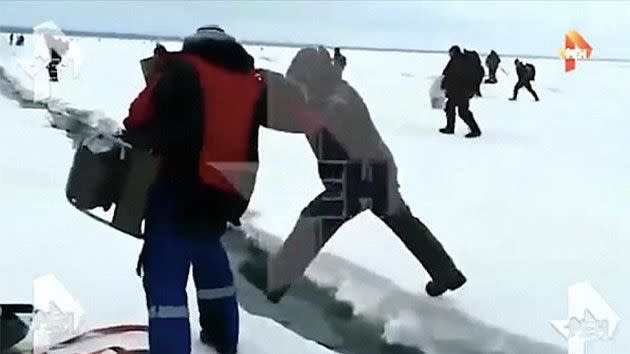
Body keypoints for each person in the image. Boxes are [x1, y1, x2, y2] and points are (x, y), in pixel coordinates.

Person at [265, 46, 466, 302]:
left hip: (357, 177)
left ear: (311, 77)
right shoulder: (328, 90)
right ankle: (446, 272)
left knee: (312, 223)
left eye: (300, 81)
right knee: (405, 223)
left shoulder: (335, 98)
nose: (298, 87)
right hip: (379, 171)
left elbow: (324, 113)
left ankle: (274, 286)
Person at [122, 25, 267, 354]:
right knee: (209, 255)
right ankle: (222, 340)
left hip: (179, 185)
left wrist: (159, 75)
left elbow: (137, 119)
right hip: (227, 193)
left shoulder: (183, 70)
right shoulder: (250, 81)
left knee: (165, 275)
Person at [440, 45, 482, 138]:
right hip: (459, 91)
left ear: (454, 52)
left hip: (461, 91)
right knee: (450, 107)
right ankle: (450, 128)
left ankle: (475, 130)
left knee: (462, 111)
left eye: (450, 53)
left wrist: (444, 85)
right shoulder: (461, 60)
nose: (449, 55)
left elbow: (450, 75)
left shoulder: (457, 61)